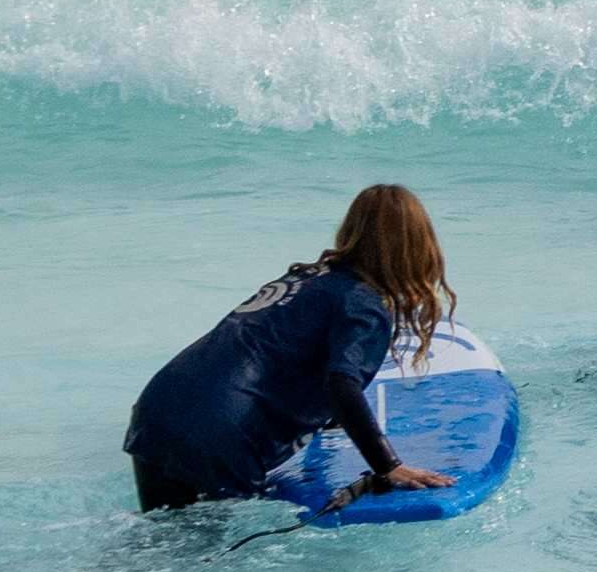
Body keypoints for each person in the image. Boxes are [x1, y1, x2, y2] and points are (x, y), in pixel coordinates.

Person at [126, 182, 454, 510]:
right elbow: (341, 384)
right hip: (219, 434)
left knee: (161, 543)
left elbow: (279, 350)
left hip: (159, 408)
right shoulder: (363, 304)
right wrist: (388, 465)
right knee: (208, 558)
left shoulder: (303, 278)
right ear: (419, 246)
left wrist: (328, 419)